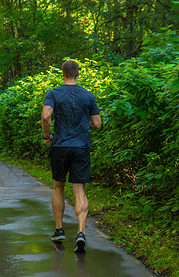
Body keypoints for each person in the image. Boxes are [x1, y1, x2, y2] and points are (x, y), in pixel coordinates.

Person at [41, 60, 101, 253]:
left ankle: (59, 230)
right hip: (81, 147)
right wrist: (83, 126)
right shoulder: (88, 95)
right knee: (79, 190)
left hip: (59, 146)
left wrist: (47, 135)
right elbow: (97, 124)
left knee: (58, 186)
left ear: (63, 74)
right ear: (78, 74)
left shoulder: (53, 94)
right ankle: (81, 233)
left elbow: (45, 116)